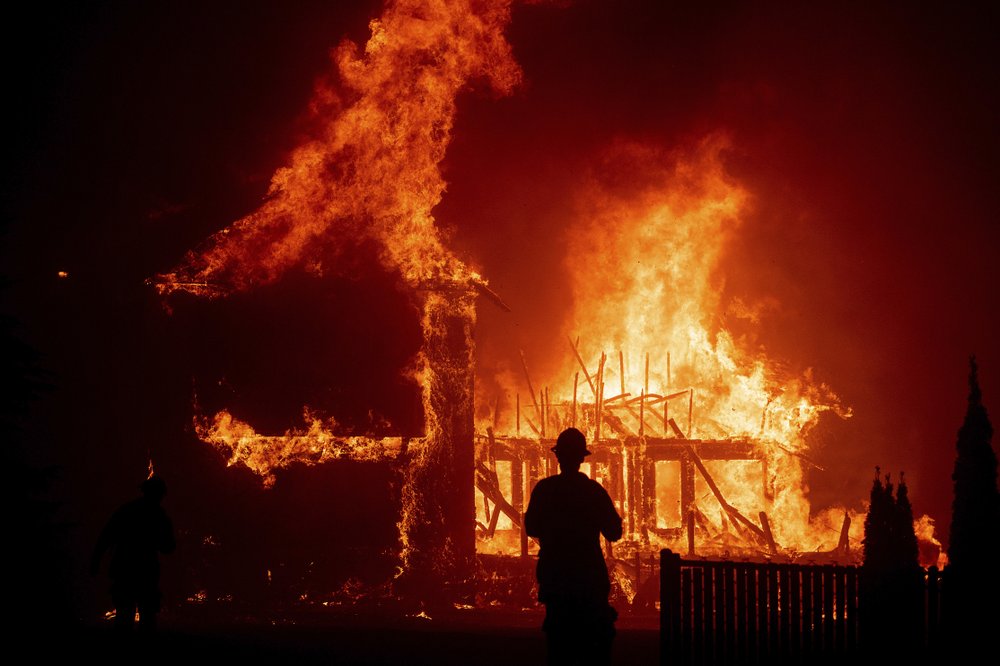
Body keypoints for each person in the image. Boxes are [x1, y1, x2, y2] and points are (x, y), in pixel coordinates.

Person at [525, 427, 623, 665]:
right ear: (582, 458)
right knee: (594, 647)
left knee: (560, 648)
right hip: (589, 580)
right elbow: (614, 532)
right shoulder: (593, 492)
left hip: (556, 579)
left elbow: (532, 528)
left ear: (558, 457)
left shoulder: (544, 490)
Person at [91, 475, 176, 634]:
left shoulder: (127, 511)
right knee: (146, 616)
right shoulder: (159, 516)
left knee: (126, 615)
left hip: (125, 569)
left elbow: (106, 536)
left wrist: (96, 560)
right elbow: (169, 547)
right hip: (143, 571)